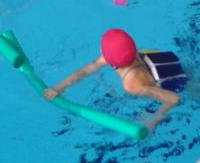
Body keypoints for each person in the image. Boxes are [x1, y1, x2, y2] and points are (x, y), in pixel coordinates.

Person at [43, 30, 185, 133]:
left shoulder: (131, 85)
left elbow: (173, 98)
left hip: (174, 81)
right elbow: (85, 71)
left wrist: (153, 119)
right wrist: (59, 87)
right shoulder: (129, 53)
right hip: (166, 60)